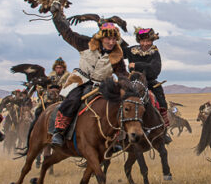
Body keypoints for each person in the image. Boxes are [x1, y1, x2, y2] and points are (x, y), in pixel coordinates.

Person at [50, 16, 129, 147]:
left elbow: (122, 74)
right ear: (101, 38)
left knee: (116, 105)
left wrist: (127, 83)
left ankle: (115, 137)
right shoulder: (85, 43)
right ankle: (59, 131)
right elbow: (67, 34)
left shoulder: (117, 56)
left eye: (114, 39)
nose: (111, 42)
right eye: (108, 39)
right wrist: (56, 16)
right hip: (81, 80)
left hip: (103, 85)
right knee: (72, 101)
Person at [126, 27, 171, 141]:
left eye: (148, 41)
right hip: (133, 82)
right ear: (139, 41)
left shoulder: (154, 53)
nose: (145, 44)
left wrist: (136, 65)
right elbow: (119, 50)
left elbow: (154, 69)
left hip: (150, 83)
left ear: (152, 41)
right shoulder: (132, 50)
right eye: (142, 41)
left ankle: (163, 131)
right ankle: (118, 131)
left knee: (161, 102)